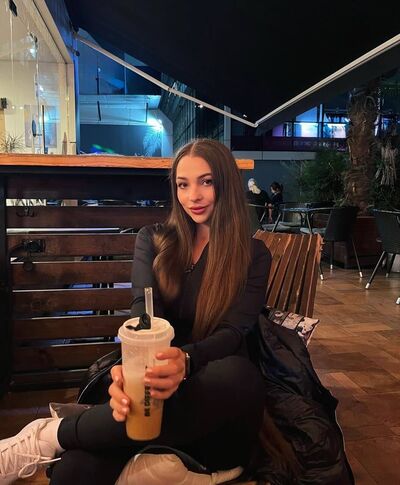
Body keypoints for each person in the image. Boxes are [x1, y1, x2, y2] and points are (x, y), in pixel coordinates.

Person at [0, 139, 271, 485]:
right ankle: (140, 457)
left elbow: (233, 333)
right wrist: (131, 370)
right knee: (75, 468)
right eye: (183, 185)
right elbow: (143, 314)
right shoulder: (154, 240)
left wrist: (185, 362)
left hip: (216, 404)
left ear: (226, 185)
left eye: (206, 182)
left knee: (237, 372)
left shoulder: (253, 255)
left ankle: (48, 435)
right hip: (154, 394)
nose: (193, 196)